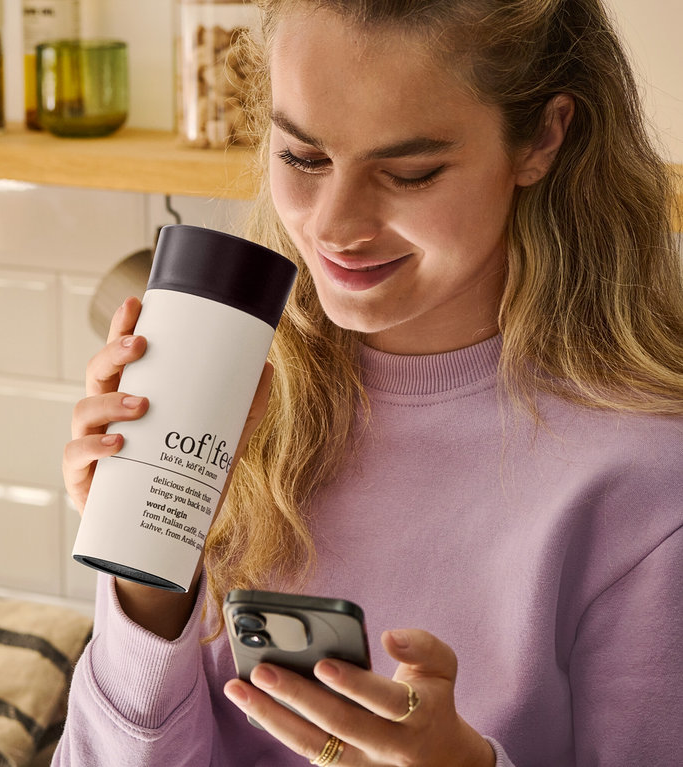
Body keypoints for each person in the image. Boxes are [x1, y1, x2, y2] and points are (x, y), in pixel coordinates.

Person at [53, 0, 683, 764]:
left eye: (410, 172)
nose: (333, 225)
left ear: (543, 137)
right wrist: (151, 573)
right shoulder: (231, 398)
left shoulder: (649, 482)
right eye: (303, 159)